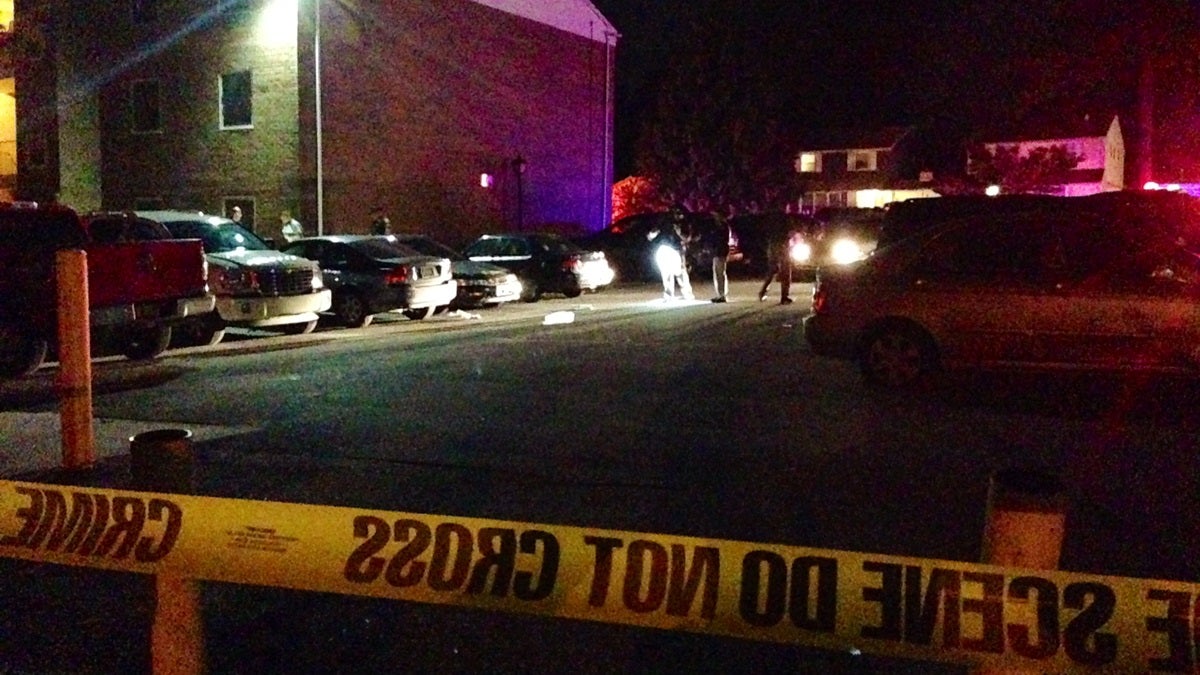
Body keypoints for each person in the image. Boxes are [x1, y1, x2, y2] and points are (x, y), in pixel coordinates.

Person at [647, 208, 694, 301]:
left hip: (677, 250)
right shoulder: (664, 224)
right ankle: (668, 294)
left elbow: (687, 238)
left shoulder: (683, 224)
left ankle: (687, 294)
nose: (678, 216)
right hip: (665, 249)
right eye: (676, 213)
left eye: (679, 214)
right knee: (666, 272)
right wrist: (653, 233)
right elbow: (650, 236)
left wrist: (679, 232)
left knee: (680, 272)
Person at [758, 219, 805, 304]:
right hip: (782, 247)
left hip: (772, 247)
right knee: (786, 272)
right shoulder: (785, 220)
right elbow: (791, 233)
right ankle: (784, 297)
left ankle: (763, 292)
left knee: (772, 270)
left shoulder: (770, 220)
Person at [703, 214, 732, 303]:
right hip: (717, 252)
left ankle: (722, 295)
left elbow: (721, 240)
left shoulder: (723, 227)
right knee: (717, 273)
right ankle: (720, 294)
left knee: (720, 273)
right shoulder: (719, 227)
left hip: (721, 251)